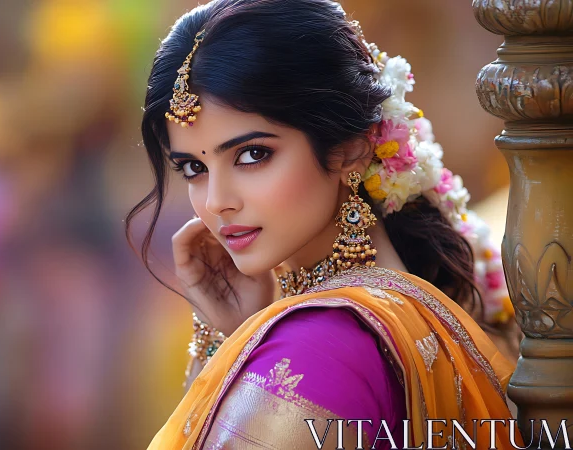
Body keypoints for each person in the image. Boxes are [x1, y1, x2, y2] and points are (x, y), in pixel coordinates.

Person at [124, 1, 523, 448]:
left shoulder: (317, 346)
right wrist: (231, 333)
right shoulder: (415, 311)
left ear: (350, 149)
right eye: (193, 168)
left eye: (252, 154)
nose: (216, 203)